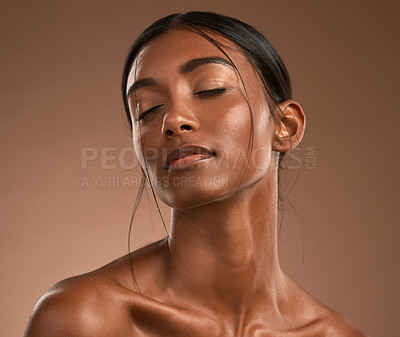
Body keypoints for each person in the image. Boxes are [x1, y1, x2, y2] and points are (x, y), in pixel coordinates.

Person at [24, 12, 368, 337]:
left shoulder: (335, 334)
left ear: (285, 127)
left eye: (210, 89)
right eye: (147, 109)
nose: (172, 120)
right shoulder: (85, 318)